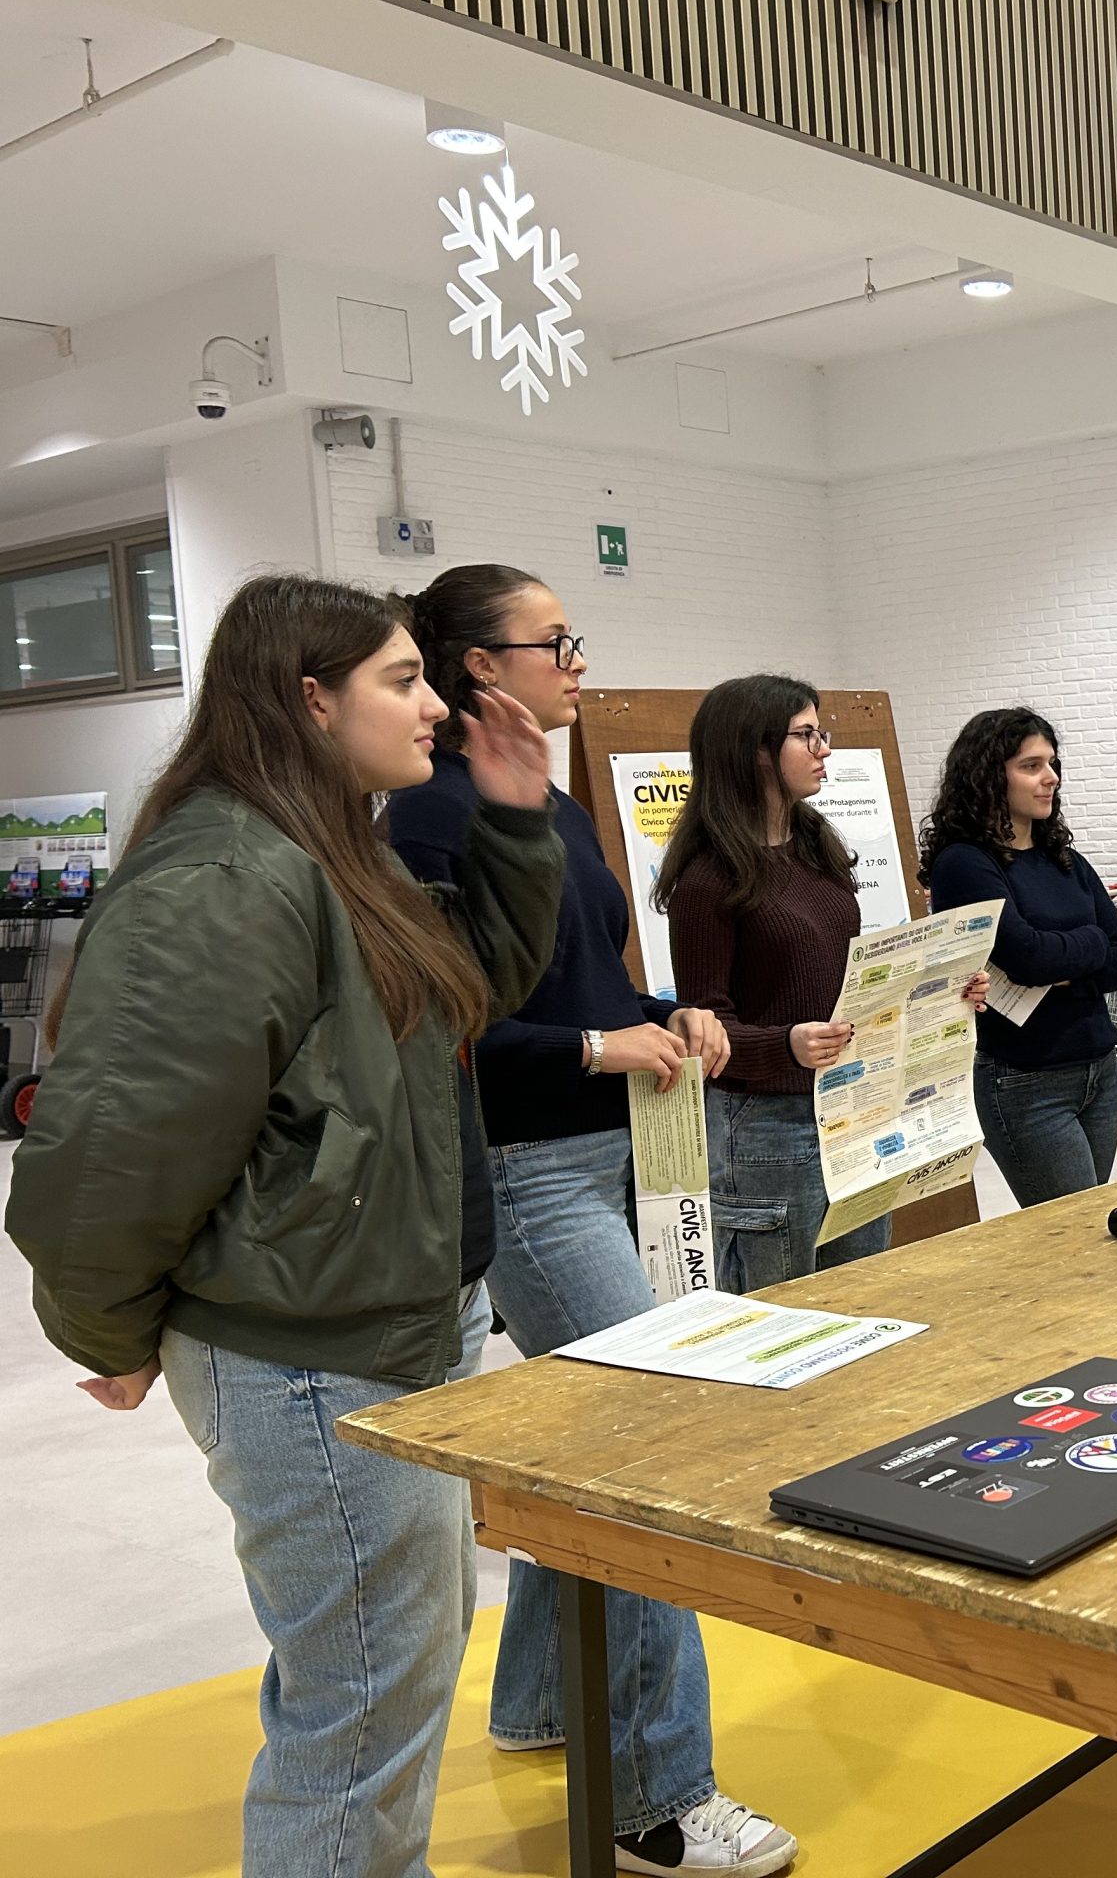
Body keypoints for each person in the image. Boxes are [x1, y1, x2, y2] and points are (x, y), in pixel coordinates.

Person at [7, 575, 564, 1877]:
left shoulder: (329, 849)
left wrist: (514, 824)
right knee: (361, 1707)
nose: (436, 708)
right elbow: (107, 1157)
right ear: (310, 700)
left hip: (381, 1328)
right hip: (311, 1355)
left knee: (388, 1682)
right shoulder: (226, 876)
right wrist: (109, 1332)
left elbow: (462, 991)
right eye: (402, 681)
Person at [388, 565, 797, 1876]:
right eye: (554, 642)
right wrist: (591, 1049)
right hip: (525, 1175)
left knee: (586, 1441)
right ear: (478, 666)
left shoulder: (548, 803)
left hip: (610, 1154)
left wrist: (668, 1013)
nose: (577, 663)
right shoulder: (427, 818)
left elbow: (586, 983)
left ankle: (542, 1701)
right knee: (648, 1447)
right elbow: (445, 1030)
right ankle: (657, 1801)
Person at [659, 675, 985, 1289]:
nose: (824, 748)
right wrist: (785, 1044)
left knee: (861, 1296)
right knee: (785, 1312)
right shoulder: (708, 881)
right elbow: (706, 1029)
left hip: (853, 1106)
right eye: (805, 735)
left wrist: (943, 991)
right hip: (769, 1126)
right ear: (756, 749)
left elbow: (849, 982)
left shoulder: (816, 846)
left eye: (820, 732)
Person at [921, 707, 1117, 1206]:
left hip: (1099, 1068)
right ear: (989, 775)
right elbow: (1028, 959)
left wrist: (1064, 970)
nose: (1051, 778)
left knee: (1090, 1218)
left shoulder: (1064, 859)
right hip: (1025, 1080)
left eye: (1052, 764)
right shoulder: (964, 863)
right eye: (1031, 766)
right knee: (1073, 1225)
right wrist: (1092, 943)